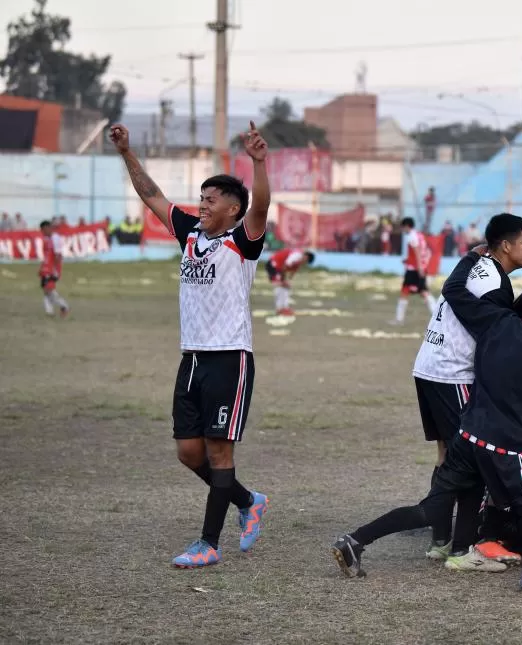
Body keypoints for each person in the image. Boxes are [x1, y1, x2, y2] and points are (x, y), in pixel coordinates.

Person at [331, 250, 522, 593]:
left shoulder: (494, 321)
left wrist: (468, 259)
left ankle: (355, 540)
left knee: (431, 508)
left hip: (469, 435)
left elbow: (453, 290)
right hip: (504, 445)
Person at [109, 121, 270, 568]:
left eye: (211, 199)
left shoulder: (242, 241)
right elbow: (152, 196)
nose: (201, 204)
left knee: (220, 451)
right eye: (200, 198)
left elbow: (261, 207)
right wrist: (127, 152)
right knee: (189, 452)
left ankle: (208, 544)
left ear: (233, 210)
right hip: (193, 358)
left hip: (229, 359)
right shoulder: (190, 234)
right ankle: (248, 500)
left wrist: (258, 163)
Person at [411, 214, 522, 566]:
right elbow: (493, 340)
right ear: (506, 246)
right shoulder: (496, 284)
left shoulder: (477, 264)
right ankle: (461, 549)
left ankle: (440, 540)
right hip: (453, 374)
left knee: (447, 455)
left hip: (428, 367)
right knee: (472, 458)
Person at [391, 217, 436, 325]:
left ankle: (399, 319)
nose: (403, 230)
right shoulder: (419, 235)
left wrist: (419, 266)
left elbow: (417, 252)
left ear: (406, 226)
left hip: (414, 269)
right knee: (423, 291)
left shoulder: (411, 236)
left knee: (406, 291)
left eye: (403, 227)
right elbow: (425, 251)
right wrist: (410, 261)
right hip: (418, 267)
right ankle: (438, 316)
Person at [265, 248, 315, 315]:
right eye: (306, 261)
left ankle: (284, 308)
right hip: (273, 265)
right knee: (280, 285)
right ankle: (280, 309)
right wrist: (283, 280)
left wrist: (288, 281)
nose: (305, 263)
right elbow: (285, 266)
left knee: (286, 286)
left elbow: (292, 273)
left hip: (278, 268)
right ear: (306, 257)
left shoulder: (299, 261)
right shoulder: (297, 255)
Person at [38, 220, 69, 317]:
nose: (42, 232)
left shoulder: (55, 238)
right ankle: (50, 311)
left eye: (43, 230)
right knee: (45, 288)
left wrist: (55, 269)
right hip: (46, 267)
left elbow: (57, 255)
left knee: (48, 289)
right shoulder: (46, 238)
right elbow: (47, 255)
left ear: (47, 228)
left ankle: (63, 306)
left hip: (52, 268)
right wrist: (42, 267)